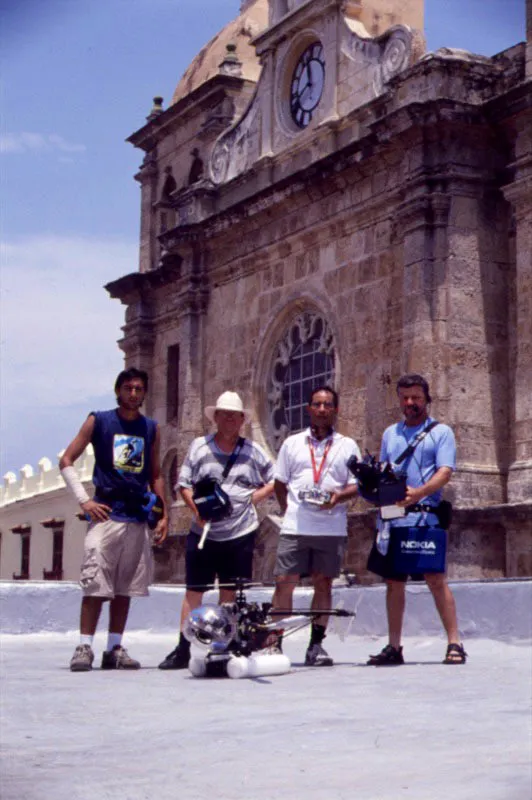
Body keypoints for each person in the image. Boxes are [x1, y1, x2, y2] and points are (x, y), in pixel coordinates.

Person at [60, 368, 168, 672]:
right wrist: (85, 500)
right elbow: (66, 460)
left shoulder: (151, 429)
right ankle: (84, 647)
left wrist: (163, 514)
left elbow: (156, 474)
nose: (133, 393)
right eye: (128, 388)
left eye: (139, 388)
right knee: (95, 585)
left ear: (144, 393)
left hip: (136, 517)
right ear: (118, 390)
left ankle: (114, 648)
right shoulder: (100, 420)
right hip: (106, 514)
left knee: (125, 588)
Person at [158, 391, 275, 669]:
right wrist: (196, 511)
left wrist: (252, 499)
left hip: (240, 532)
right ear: (216, 418)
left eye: (234, 416)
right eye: (224, 415)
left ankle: (223, 646)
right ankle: (183, 647)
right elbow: (183, 483)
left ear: (242, 420)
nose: (229, 420)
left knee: (230, 592)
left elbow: (274, 478)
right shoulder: (199, 447)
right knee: (194, 591)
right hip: (204, 533)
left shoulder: (253, 451)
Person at [366, 373, 466, 665]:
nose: (410, 403)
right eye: (405, 397)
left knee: (436, 579)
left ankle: (455, 643)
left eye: (416, 398)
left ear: (427, 399)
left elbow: (445, 471)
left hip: (426, 518)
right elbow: (386, 470)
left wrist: (418, 493)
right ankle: (394, 647)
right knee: (393, 582)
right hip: (394, 518)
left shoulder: (441, 432)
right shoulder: (390, 434)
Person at [271, 386, 361, 667]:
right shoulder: (292, 443)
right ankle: (275, 644)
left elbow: (357, 484)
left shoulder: (348, 445)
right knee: (284, 583)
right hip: (296, 526)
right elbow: (279, 483)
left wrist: (338, 498)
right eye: (317, 404)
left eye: (328, 405)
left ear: (336, 410)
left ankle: (315, 646)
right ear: (308, 409)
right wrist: (290, 511)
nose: (322, 409)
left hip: (331, 528)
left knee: (323, 584)